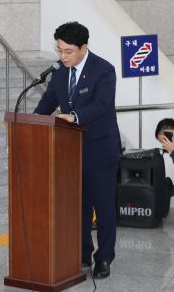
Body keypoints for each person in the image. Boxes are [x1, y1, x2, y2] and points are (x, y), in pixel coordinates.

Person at [34, 21, 121, 279]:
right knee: (78, 207)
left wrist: (74, 116)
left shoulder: (104, 70)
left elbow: (103, 105)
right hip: (70, 151)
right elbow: (49, 100)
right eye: (59, 50)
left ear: (84, 47)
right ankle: (82, 253)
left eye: (68, 51)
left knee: (103, 207)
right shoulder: (61, 71)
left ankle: (104, 257)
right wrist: (35, 121)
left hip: (100, 150)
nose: (62, 56)